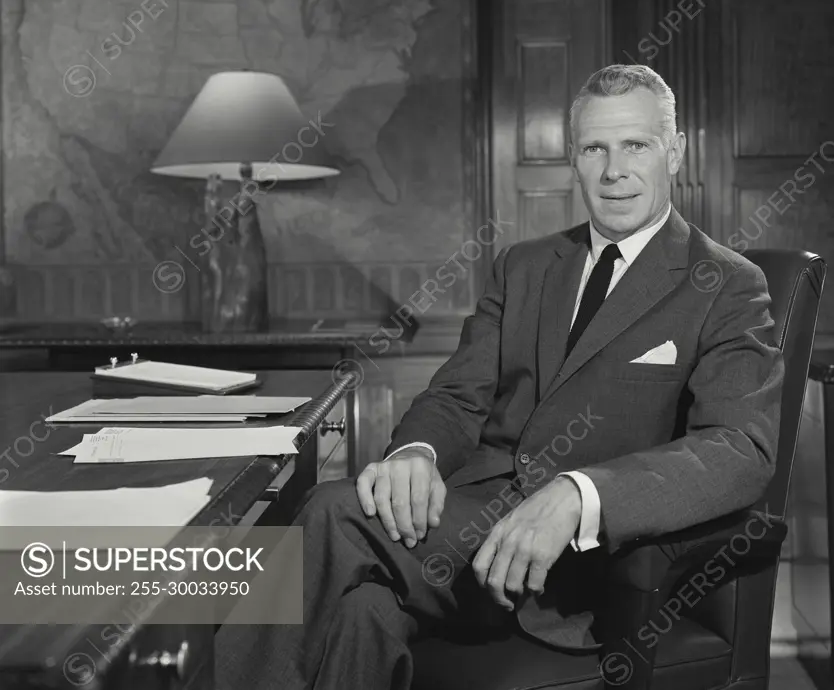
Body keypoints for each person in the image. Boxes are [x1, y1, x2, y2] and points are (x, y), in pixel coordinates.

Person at [216, 63, 784, 689]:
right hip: (461, 529)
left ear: (674, 152)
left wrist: (579, 493)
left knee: (330, 511)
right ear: (573, 158)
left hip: (580, 567)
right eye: (595, 147)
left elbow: (740, 449)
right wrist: (416, 452)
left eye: (636, 146)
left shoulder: (726, 284)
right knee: (362, 614)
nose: (614, 170)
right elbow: (458, 395)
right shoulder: (524, 266)